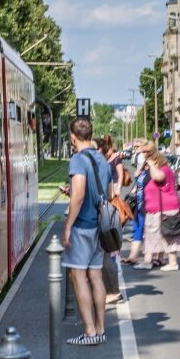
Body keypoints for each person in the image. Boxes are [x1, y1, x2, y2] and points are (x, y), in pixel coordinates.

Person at [63, 117, 112, 346]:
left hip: (83, 226)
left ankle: (89, 332)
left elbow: (79, 194)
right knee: (96, 276)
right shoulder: (102, 160)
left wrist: (67, 226)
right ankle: (101, 329)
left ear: (73, 137)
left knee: (78, 276)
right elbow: (110, 195)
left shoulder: (77, 160)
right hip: (101, 227)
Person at [139, 150, 180, 271]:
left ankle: (171, 263)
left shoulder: (164, 170)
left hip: (165, 210)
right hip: (158, 210)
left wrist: (151, 165)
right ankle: (153, 260)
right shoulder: (161, 170)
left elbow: (157, 177)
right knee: (155, 235)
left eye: (149, 161)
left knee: (168, 235)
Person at [99, 136, 124, 305]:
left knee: (105, 253)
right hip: (103, 212)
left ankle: (113, 291)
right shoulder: (102, 165)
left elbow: (108, 193)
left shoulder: (104, 166)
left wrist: (118, 188)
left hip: (103, 214)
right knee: (105, 252)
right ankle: (110, 290)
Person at [125, 140, 155, 266]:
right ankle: (132, 257)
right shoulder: (144, 166)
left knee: (147, 231)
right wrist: (141, 166)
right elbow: (137, 177)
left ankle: (150, 259)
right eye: (141, 151)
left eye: (144, 152)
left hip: (149, 204)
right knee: (136, 229)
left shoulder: (155, 166)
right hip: (139, 202)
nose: (142, 154)